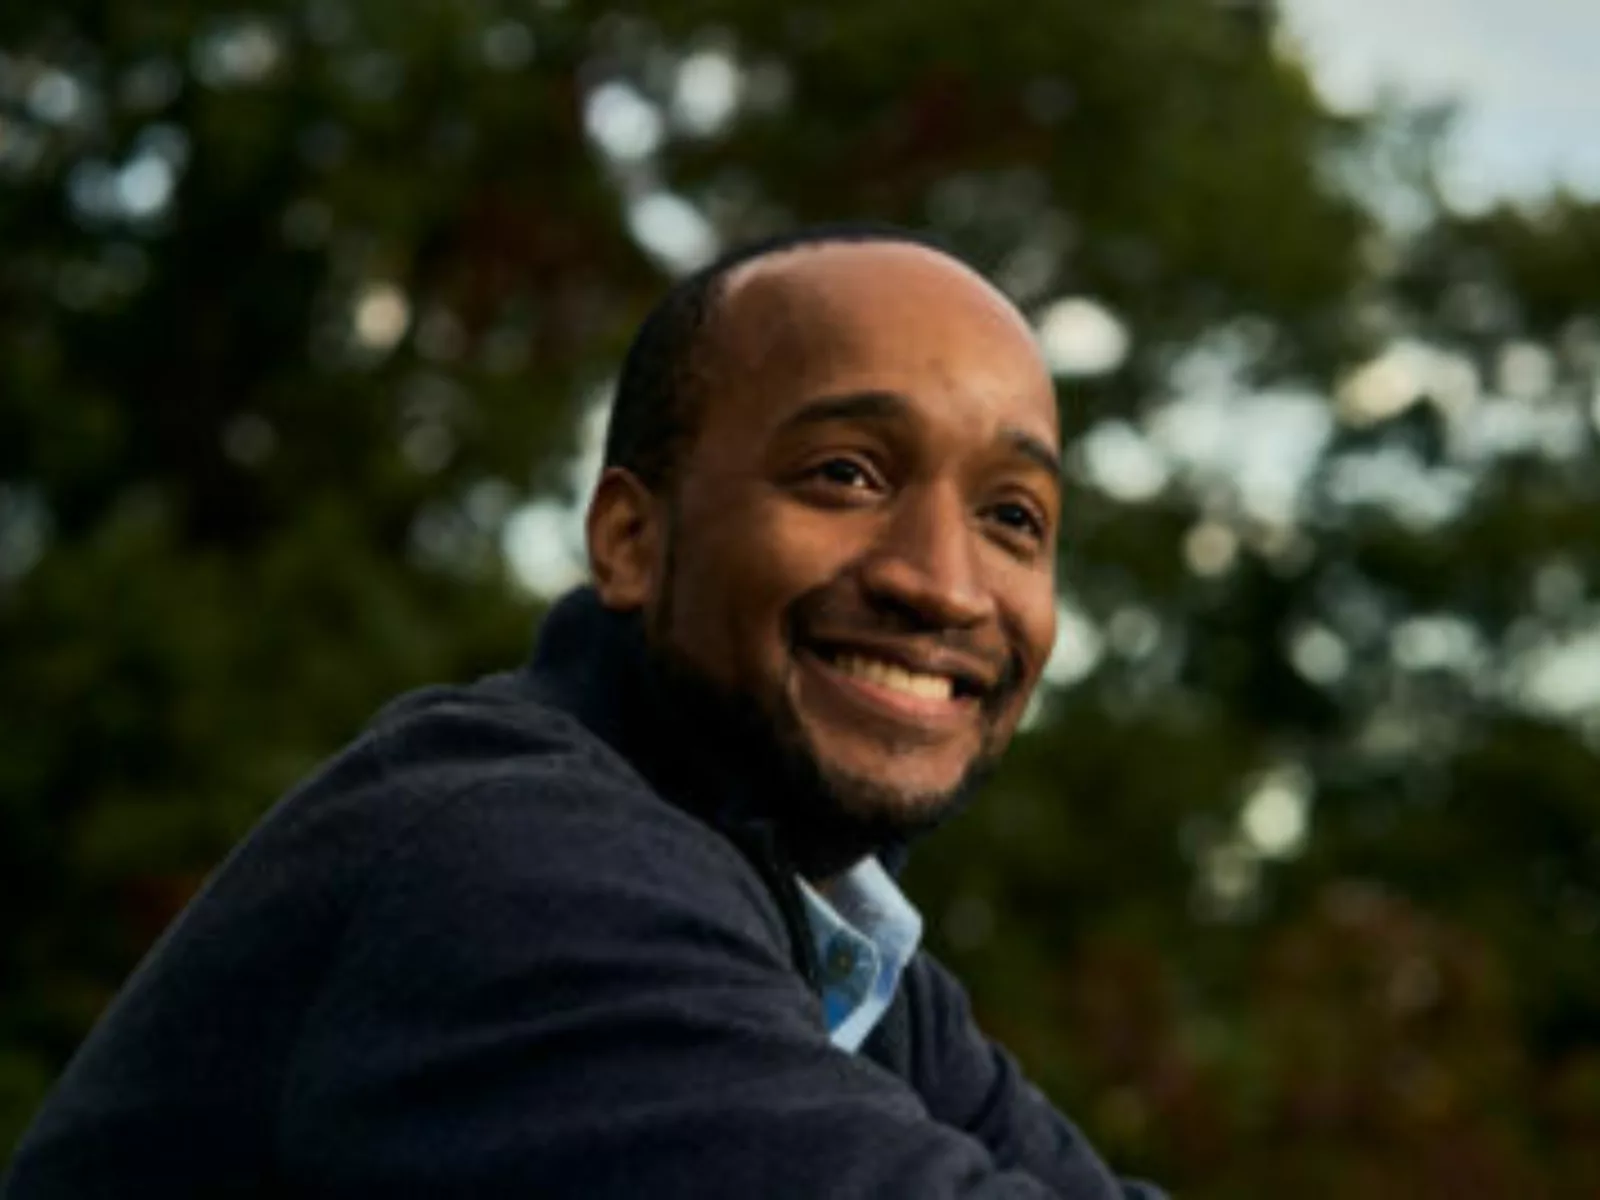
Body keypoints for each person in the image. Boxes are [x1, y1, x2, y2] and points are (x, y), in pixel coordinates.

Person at [3, 225, 1163, 1198]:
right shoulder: (510, 862)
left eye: (1012, 518)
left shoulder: (848, 954)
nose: (944, 584)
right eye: (845, 474)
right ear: (630, 540)